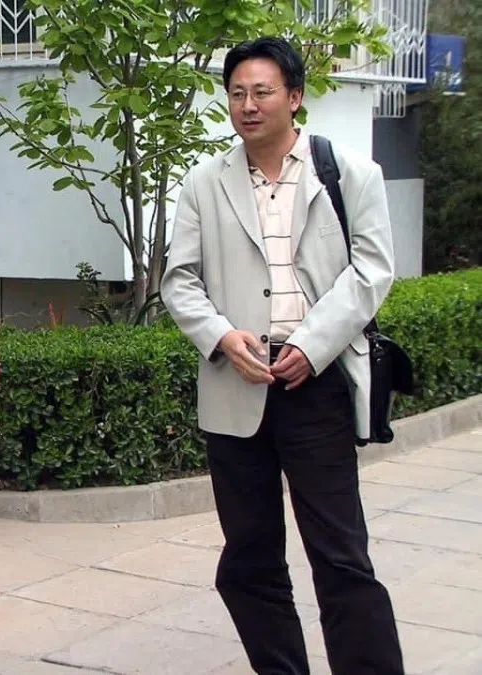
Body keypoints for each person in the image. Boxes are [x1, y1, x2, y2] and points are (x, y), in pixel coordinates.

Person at [160, 38, 404, 674]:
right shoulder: (203, 183)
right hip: (236, 390)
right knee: (248, 560)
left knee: (342, 557)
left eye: (262, 91)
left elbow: (372, 271)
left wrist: (311, 345)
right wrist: (220, 336)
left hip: (314, 390)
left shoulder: (350, 173)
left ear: (294, 97)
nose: (248, 104)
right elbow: (179, 280)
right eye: (237, 92)